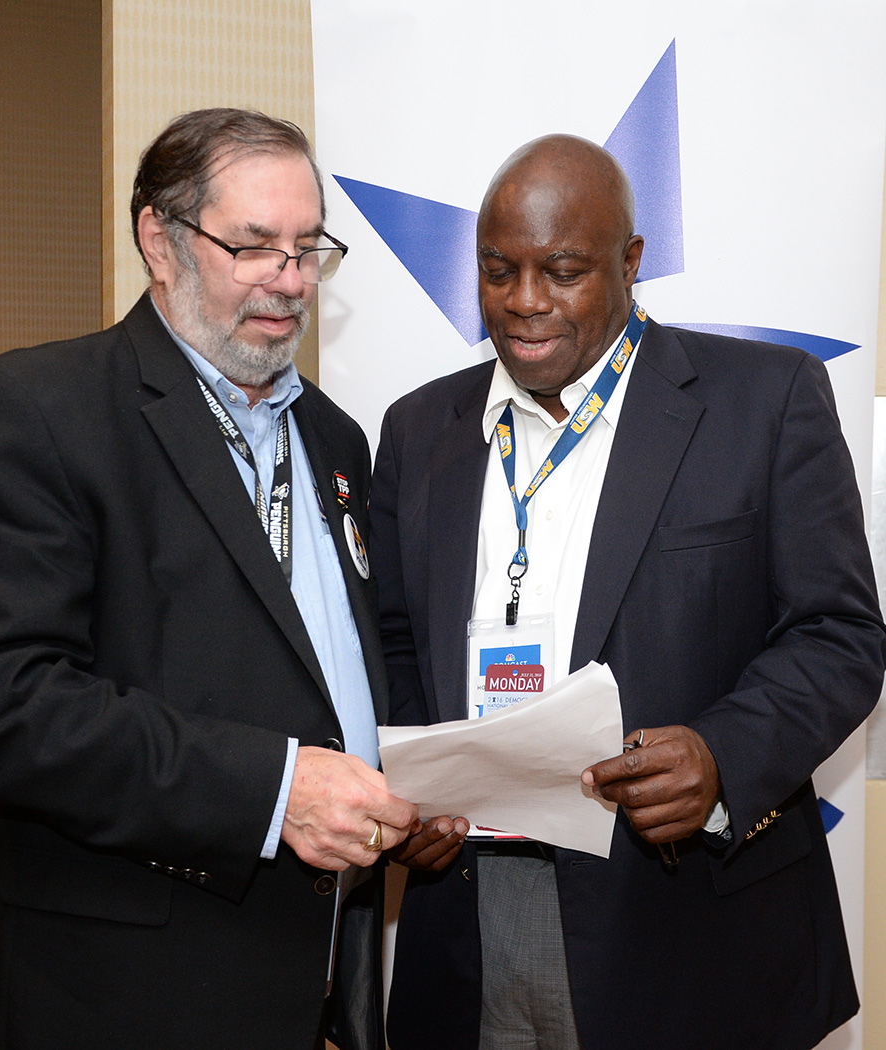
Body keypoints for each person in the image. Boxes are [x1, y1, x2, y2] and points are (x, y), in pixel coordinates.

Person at [0, 107, 419, 1050]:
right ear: (159, 240)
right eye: (254, 246)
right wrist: (273, 791)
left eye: (309, 249)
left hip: (301, 965)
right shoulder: (31, 412)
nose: (291, 280)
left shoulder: (337, 439)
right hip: (110, 987)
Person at [370, 133, 885, 1050]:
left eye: (563, 271)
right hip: (466, 923)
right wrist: (414, 792)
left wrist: (722, 756)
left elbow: (840, 635)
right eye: (498, 270)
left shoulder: (765, 400)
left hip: (688, 932)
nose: (525, 302)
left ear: (631, 261)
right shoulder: (417, 429)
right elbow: (396, 640)